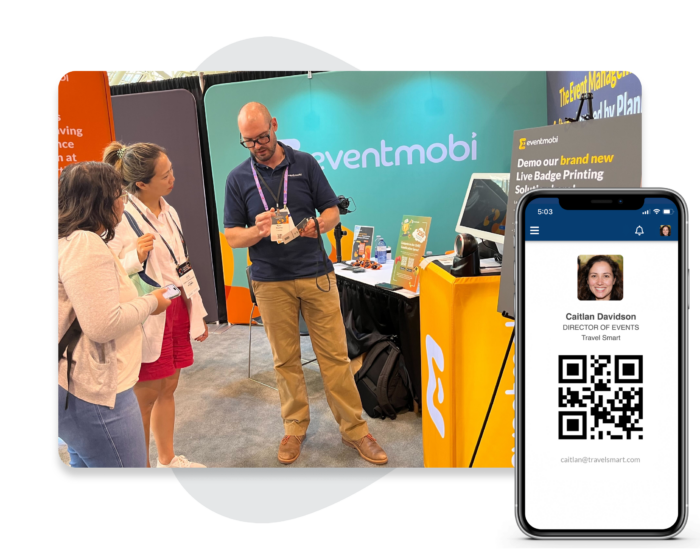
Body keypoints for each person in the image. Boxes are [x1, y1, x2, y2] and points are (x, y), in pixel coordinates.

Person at [224, 102, 388, 465]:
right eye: (248, 142)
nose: (257, 146)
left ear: (275, 126)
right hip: (269, 282)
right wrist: (258, 230)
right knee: (285, 361)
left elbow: (331, 209)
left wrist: (320, 225)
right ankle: (294, 427)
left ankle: (355, 431)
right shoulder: (238, 178)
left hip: (315, 274)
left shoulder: (306, 164)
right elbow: (233, 236)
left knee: (334, 357)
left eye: (262, 137)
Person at [57, 161, 172, 468]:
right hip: (96, 392)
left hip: (78, 385)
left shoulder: (70, 240)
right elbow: (102, 325)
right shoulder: (84, 244)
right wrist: (151, 303)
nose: (123, 200)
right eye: (118, 193)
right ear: (101, 201)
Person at [104, 142, 209, 469]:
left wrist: (198, 313)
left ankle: (167, 460)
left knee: (169, 387)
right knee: (145, 397)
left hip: (176, 308)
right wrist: (135, 254)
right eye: (165, 175)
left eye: (171, 171)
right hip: (149, 313)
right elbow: (109, 271)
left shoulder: (170, 211)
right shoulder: (121, 218)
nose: (173, 179)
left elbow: (182, 264)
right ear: (141, 184)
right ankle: (142, 468)